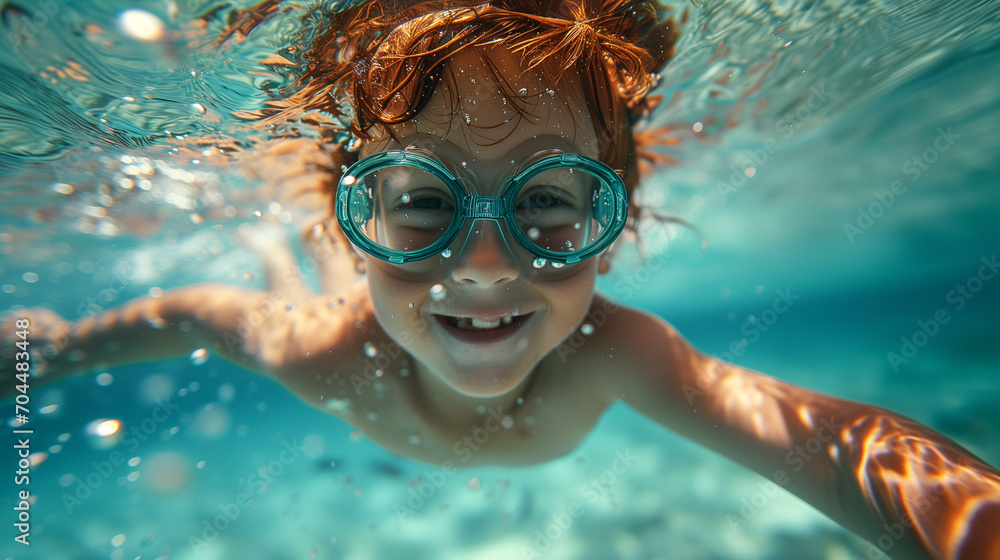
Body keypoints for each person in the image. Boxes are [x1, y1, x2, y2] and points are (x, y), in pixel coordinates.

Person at [2, 1, 998, 558]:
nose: (485, 265)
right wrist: (51, 352)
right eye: (421, 204)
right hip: (344, 300)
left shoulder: (617, 355)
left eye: (550, 205)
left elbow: (835, 447)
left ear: (612, 229)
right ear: (356, 225)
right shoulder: (320, 348)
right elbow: (197, 315)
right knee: (280, 287)